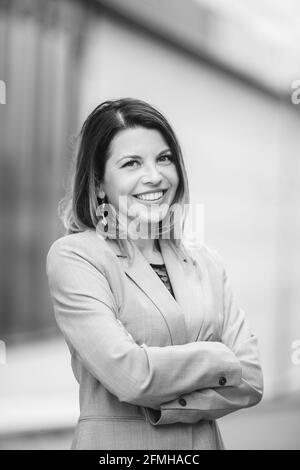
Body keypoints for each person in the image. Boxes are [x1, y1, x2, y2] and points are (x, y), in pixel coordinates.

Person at [46, 98, 263, 450]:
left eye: (164, 158)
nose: (155, 176)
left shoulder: (207, 263)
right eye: (132, 163)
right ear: (100, 183)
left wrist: (167, 390)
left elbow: (251, 380)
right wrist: (221, 359)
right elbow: (132, 376)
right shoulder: (77, 257)